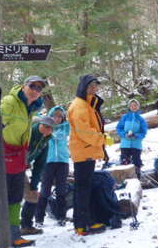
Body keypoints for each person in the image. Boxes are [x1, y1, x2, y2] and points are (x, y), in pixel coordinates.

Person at [0, 75, 46, 247]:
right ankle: (1, 234)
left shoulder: (30, 108)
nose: (35, 91)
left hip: (18, 157)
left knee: (16, 196)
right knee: (2, 196)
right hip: (2, 155)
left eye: (39, 89)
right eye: (33, 86)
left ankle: (14, 234)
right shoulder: (11, 101)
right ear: (24, 86)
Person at [68, 74, 107, 236]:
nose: (94, 88)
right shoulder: (80, 106)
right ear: (83, 86)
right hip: (84, 151)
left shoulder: (87, 104)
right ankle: (82, 225)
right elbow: (84, 131)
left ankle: (83, 222)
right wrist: (102, 139)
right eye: (91, 86)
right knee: (83, 189)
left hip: (86, 150)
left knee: (84, 187)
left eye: (96, 86)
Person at [34, 106, 70, 226]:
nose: (57, 118)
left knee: (61, 190)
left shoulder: (65, 127)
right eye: (55, 115)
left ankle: (61, 217)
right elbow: (36, 119)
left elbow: (60, 135)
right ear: (50, 116)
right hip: (47, 162)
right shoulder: (45, 127)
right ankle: (39, 218)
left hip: (62, 162)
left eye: (60, 116)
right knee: (45, 191)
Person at [20, 115, 54, 235]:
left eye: (50, 128)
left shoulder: (45, 142)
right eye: (45, 126)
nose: (47, 129)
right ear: (39, 124)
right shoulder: (29, 133)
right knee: (8, 198)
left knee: (32, 195)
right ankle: (4, 231)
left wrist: (34, 185)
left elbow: (40, 165)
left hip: (20, 170)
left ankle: (26, 226)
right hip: (7, 167)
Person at [116, 99, 148, 179]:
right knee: (125, 162)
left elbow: (143, 132)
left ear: (138, 107)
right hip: (125, 144)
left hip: (136, 145)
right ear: (129, 107)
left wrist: (136, 135)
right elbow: (119, 128)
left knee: (136, 162)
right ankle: (125, 180)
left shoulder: (141, 119)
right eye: (132, 105)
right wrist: (124, 134)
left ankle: (137, 179)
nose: (133, 107)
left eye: (135, 105)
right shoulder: (125, 117)